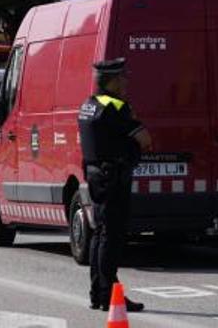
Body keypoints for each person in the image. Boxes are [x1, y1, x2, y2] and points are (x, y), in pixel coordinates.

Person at [78, 57, 153, 313]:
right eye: (122, 77)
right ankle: (109, 293)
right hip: (114, 176)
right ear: (111, 81)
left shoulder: (88, 105)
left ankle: (98, 293)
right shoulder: (118, 107)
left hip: (95, 174)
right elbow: (144, 139)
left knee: (99, 233)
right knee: (112, 236)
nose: (126, 81)